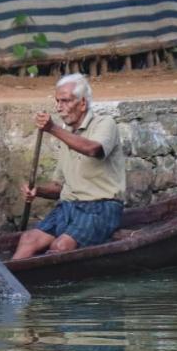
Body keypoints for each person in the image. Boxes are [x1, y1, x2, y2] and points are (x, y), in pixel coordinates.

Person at [12, 73, 126, 259]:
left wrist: (52, 129)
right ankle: (9, 284)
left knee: (61, 246)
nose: (59, 108)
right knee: (28, 238)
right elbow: (59, 187)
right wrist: (37, 190)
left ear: (82, 104)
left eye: (65, 101)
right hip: (68, 207)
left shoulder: (105, 123)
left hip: (101, 207)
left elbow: (93, 149)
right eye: (57, 102)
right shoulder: (67, 135)